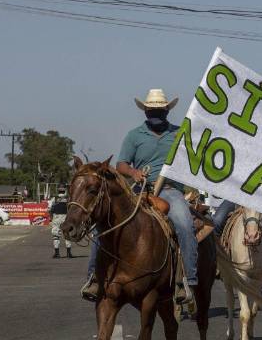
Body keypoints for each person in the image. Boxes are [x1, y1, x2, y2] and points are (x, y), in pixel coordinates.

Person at [81, 88, 199, 312]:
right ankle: (93, 279)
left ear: (167, 110)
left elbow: (192, 162)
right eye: (151, 109)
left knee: (184, 224)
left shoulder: (179, 133)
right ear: (145, 110)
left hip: (170, 190)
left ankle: (188, 282)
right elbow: (121, 164)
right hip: (138, 190)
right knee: (104, 226)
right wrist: (134, 173)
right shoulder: (134, 135)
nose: (155, 113)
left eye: (159, 110)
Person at [49, 192, 73, 258]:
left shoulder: (54, 198)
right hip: (66, 217)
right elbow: (71, 209)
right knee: (67, 234)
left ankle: (57, 253)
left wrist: (51, 218)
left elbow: (50, 209)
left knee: (56, 236)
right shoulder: (68, 199)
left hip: (56, 217)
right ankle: (69, 253)